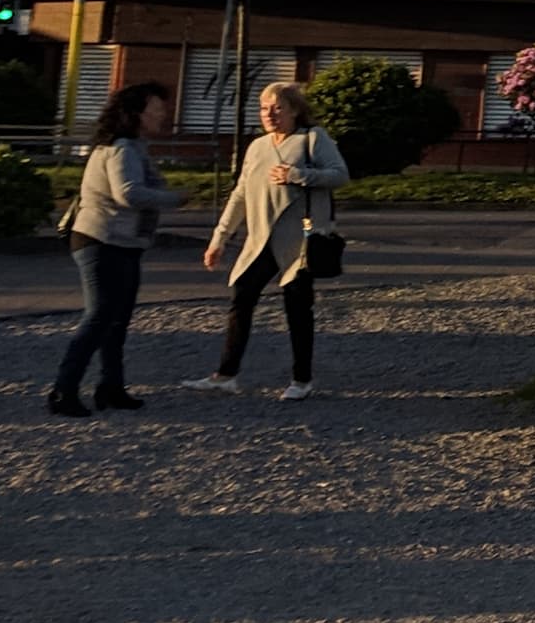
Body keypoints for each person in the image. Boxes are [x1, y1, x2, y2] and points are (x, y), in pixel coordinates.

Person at [190, 79, 348, 400]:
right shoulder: (257, 147)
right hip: (260, 239)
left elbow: (340, 174)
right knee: (242, 297)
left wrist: (299, 175)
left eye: (278, 108)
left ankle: (301, 380)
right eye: (264, 108)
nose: (269, 114)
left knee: (297, 308)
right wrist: (220, 238)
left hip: (299, 242)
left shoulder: (312, 139)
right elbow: (240, 194)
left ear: (295, 111)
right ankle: (226, 375)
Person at [48, 82, 177, 419]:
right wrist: (175, 198)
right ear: (136, 113)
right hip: (103, 241)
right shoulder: (122, 149)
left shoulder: (132, 146)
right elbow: (128, 193)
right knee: (100, 316)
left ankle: (111, 387)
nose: (163, 114)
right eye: (156, 108)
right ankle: (64, 390)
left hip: (121, 242)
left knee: (116, 319)